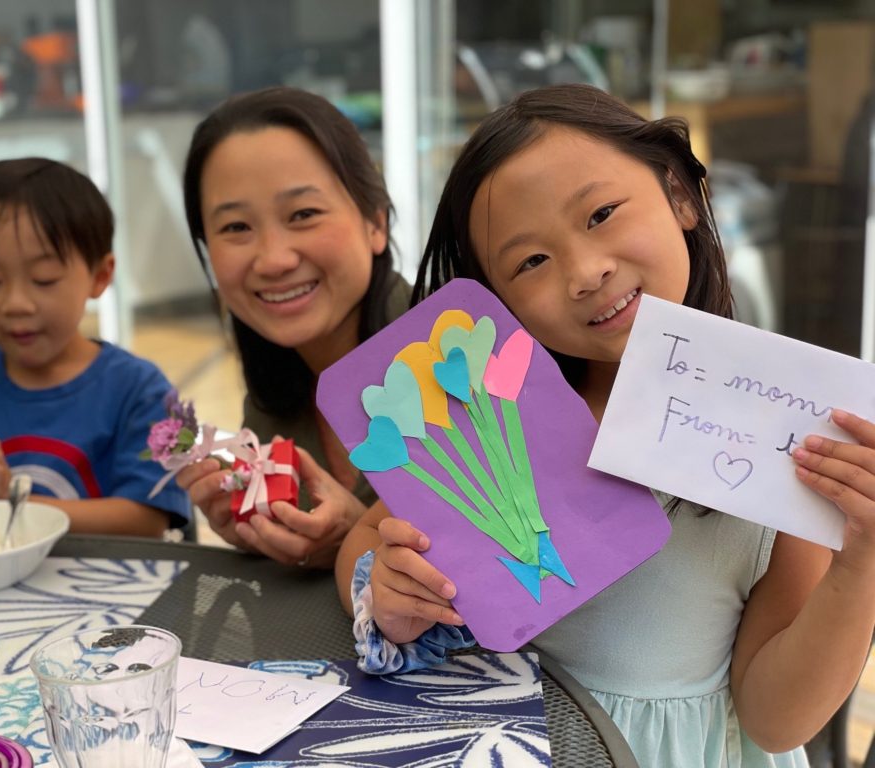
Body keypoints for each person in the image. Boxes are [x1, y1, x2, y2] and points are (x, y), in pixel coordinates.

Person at [335, 84, 875, 766]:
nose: (585, 273)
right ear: (499, 300)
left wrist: (861, 564)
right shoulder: (494, 416)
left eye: (600, 213)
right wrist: (386, 591)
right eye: (530, 261)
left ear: (681, 195)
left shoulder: (783, 437)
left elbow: (777, 720)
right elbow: (364, 542)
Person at [179, 86, 411, 568]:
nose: (274, 260)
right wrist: (259, 533)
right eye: (236, 227)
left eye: (303, 214)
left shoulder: (461, 360)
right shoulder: (271, 398)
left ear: (375, 222)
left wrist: (359, 539)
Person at [0, 157, 190, 537]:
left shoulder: (142, 390)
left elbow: (147, 522)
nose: (16, 302)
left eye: (44, 279)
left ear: (100, 276)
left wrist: (14, 501)